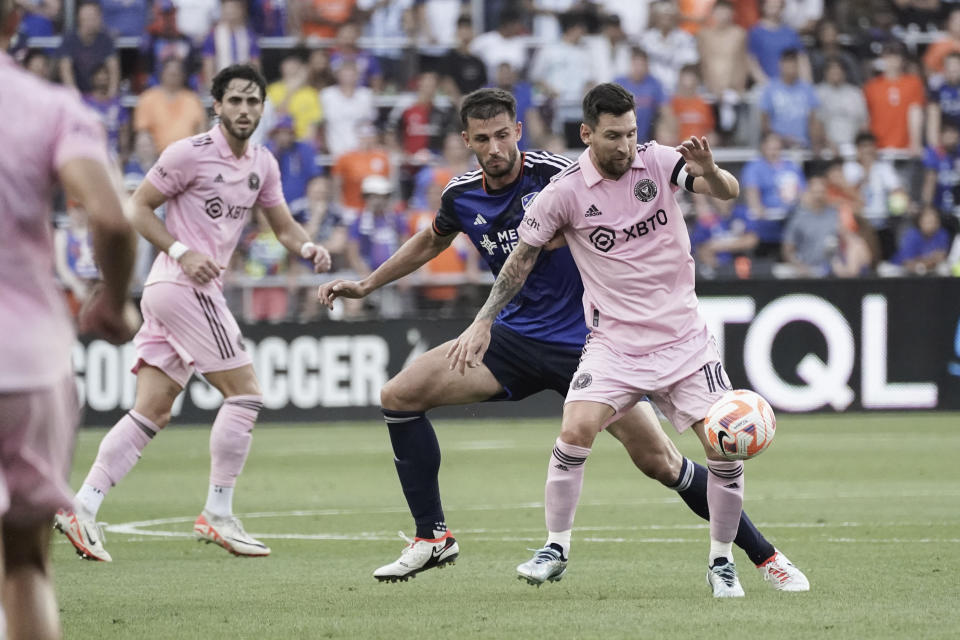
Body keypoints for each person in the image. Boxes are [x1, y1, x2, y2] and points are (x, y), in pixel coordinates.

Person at [318, 88, 808, 592]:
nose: (495, 147)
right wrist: (368, 284)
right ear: (466, 140)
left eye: (503, 135)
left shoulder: (561, 175)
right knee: (399, 396)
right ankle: (433, 537)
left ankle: (761, 555)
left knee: (660, 462)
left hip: (587, 342)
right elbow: (433, 240)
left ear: (518, 132)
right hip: (512, 339)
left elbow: (665, 195)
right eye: (483, 139)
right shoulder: (461, 194)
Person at [445, 83, 767, 598]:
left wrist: (708, 169)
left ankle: (722, 561)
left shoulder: (660, 162)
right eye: (614, 135)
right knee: (575, 429)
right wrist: (484, 319)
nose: (626, 145)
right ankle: (555, 547)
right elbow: (519, 263)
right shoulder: (564, 192)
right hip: (614, 341)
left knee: (723, 449)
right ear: (588, 133)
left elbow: (725, 190)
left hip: (684, 338)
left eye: (632, 133)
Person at [54, 64, 332, 562]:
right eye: (236, 101)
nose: (245, 109)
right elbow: (137, 208)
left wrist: (308, 248)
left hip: (173, 292)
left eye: (253, 101)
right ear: (217, 105)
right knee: (245, 395)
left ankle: (82, 506)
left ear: (263, 108)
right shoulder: (189, 154)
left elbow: (284, 225)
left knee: (151, 411)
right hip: (183, 284)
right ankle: (218, 513)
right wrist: (183, 251)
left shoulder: (262, 164)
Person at [0, 0, 139, 632]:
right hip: (24, 361)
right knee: (26, 561)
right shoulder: (49, 107)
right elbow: (111, 217)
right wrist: (111, 300)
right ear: (15, 24)